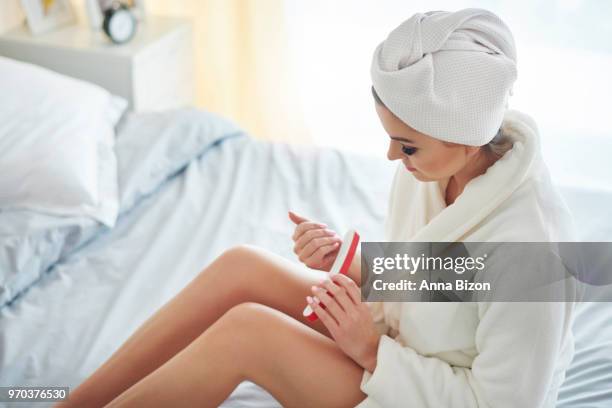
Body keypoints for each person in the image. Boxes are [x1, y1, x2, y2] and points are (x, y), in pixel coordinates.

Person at [55, 8, 575, 408]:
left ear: (465, 138)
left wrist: (372, 351)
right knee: (242, 266)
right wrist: (347, 263)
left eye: (407, 145)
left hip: (420, 389)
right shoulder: (439, 168)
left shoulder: (531, 255)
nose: (393, 156)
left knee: (248, 333)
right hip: (403, 349)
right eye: (392, 137)